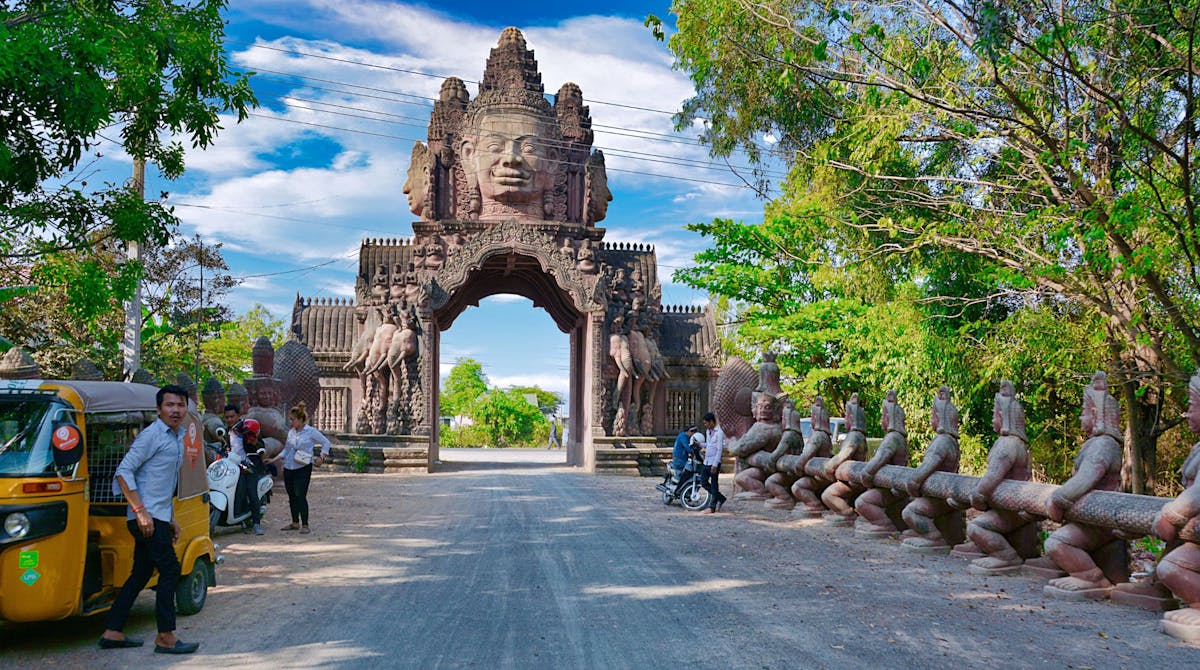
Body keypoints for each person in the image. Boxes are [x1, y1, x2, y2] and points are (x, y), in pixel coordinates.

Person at [99, 385, 200, 655]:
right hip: (145, 517)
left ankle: (113, 631)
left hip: (157, 515)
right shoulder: (152, 435)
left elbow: (160, 483)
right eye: (170, 405)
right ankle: (165, 636)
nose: (176, 410)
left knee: (141, 573)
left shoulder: (176, 438)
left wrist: (171, 518)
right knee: (170, 570)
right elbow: (123, 472)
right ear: (159, 410)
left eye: (181, 405)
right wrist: (141, 511)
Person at [268, 402, 331, 535]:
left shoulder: (311, 432)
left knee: (300, 495)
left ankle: (305, 524)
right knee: (291, 496)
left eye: (293, 419)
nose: (291, 422)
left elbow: (326, 442)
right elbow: (286, 449)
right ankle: (295, 521)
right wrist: (273, 460)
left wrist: (322, 457)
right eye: (290, 419)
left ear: (301, 419)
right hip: (289, 465)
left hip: (303, 466)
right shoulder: (291, 433)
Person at [229, 416, 265, 536]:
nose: (230, 419)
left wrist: (256, 444)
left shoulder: (252, 432)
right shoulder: (228, 432)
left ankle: (256, 523)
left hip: (249, 468)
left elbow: (261, 446)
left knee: (252, 493)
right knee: (236, 491)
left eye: (232, 416)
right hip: (232, 467)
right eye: (227, 417)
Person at [701, 412, 727, 514]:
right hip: (706, 461)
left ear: (711, 422)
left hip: (714, 462)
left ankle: (712, 507)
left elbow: (719, 449)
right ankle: (720, 498)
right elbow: (709, 444)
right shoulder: (708, 431)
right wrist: (700, 444)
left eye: (706, 423)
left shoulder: (719, 432)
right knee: (703, 481)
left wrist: (715, 464)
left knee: (714, 484)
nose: (705, 425)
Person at [669, 426, 699, 496]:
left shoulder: (689, 438)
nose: (693, 433)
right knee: (688, 471)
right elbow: (687, 447)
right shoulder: (683, 436)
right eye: (692, 431)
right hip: (678, 459)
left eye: (695, 431)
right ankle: (678, 489)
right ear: (687, 431)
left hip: (683, 459)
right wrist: (693, 452)